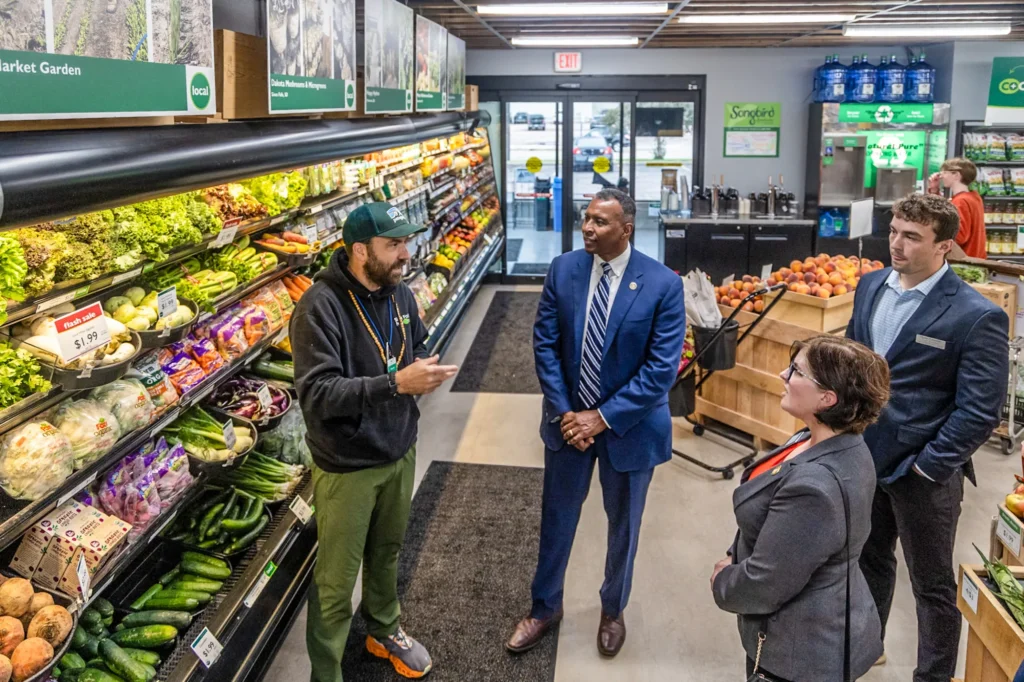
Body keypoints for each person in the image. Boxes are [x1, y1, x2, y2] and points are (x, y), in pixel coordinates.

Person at [506, 188, 686, 658]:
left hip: (629, 429)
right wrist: (568, 412)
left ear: (626, 229)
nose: (588, 228)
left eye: (600, 222)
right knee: (557, 520)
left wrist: (601, 418)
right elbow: (545, 343)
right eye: (586, 219)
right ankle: (543, 608)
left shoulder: (663, 284)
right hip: (568, 425)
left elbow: (661, 371)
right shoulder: (564, 269)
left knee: (624, 526)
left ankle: (612, 609)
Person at [292, 202, 459, 682]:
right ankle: (326, 673)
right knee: (335, 582)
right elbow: (318, 394)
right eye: (394, 245)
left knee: (388, 550)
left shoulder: (399, 294)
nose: (405, 253)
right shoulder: (318, 308)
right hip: (347, 464)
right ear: (360, 250)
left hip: (399, 447)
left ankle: (384, 630)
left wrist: (425, 366)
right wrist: (396, 384)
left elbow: (417, 343)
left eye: (405, 242)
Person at [846, 193, 1009, 682]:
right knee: (869, 560)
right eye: (894, 231)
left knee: (932, 585)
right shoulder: (871, 285)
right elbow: (855, 363)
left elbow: (981, 410)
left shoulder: (975, 315)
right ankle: (867, 647)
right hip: (866, 457)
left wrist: (928, 466)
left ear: (944, 246)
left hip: (924, 473)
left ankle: (933, 675)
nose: (897, 244)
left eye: (912, 237)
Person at [711, 336, 890, 681]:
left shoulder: (815, 489)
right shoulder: (831, 440)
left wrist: (724, 580)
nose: (782, 374)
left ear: (827, 398)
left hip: (799, 654)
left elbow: (767, 583)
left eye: (796, 371)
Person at [927, 157, 986, 259]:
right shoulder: (974, 197)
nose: (941, 176)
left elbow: (960, 236)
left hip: (963, 260)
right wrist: (934, 191)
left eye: (944, 172)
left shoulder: (960, 202)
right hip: (976, 257)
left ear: (956, 175)